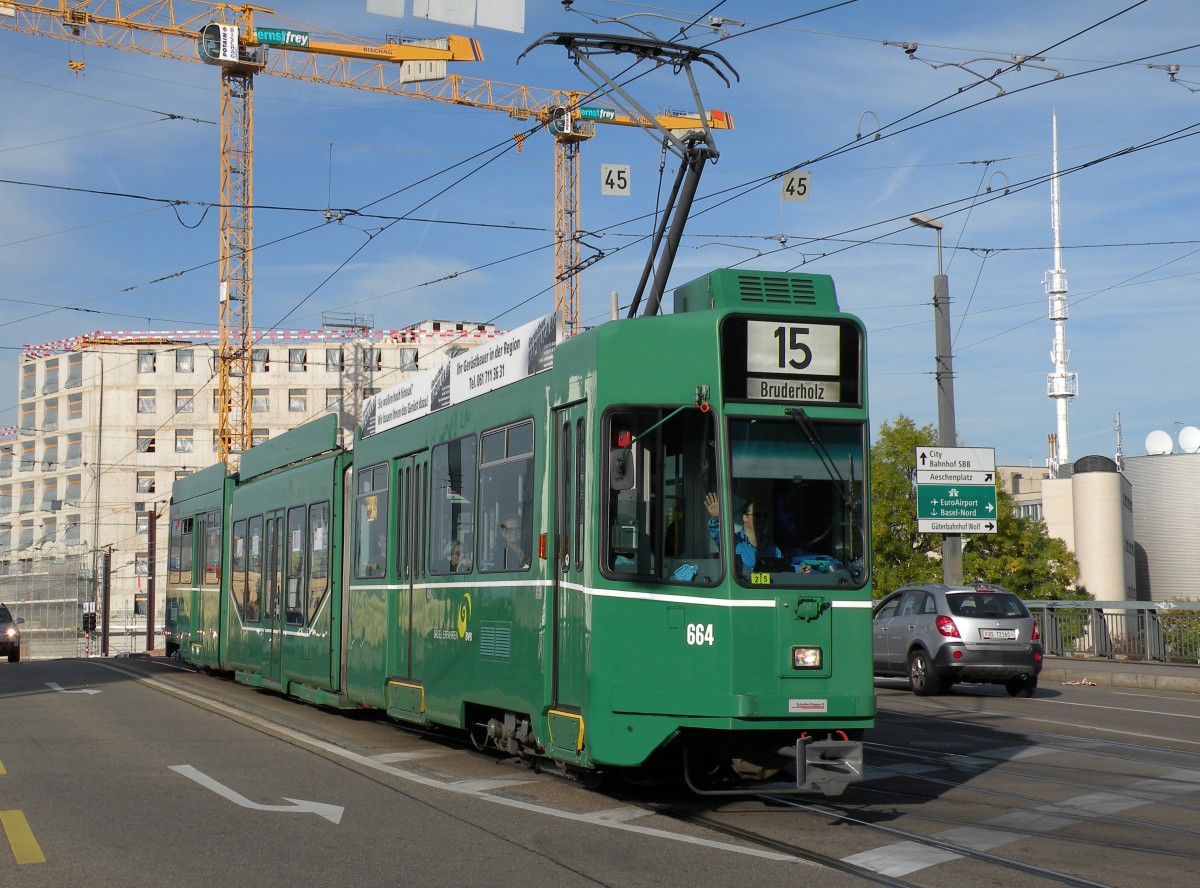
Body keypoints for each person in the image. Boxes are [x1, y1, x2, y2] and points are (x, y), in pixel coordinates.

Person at [705, 493, 781, 574]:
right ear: (745, 518)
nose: (762, 519)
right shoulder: (732, 542)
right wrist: (716, 518)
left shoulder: (771, 547)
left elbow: (783, 568)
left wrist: (796, 571)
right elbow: (718, 534)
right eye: (757, 515)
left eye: (765, 516)